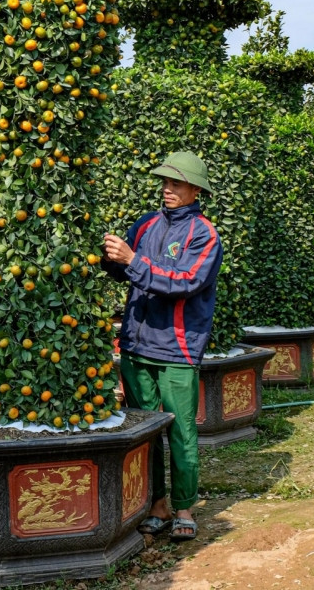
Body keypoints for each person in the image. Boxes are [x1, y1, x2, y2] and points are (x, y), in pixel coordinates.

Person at [101, 151, 223, 543]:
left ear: (195, 190)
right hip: (136, 345)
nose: (167, 190)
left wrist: (133, 259)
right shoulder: (146, 224)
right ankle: (157, 505)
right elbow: (123, 270)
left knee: (181, 431)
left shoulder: (204, 234)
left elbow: (185, 281)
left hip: (176, 350)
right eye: (165, 183)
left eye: (176, 184)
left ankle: (184, 507)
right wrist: (108, 255)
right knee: (145, 432)